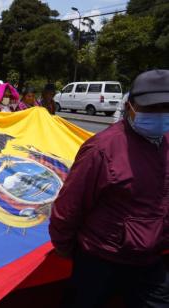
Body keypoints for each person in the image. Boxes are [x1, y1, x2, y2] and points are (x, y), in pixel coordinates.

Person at [49, 69, 169, 307]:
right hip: (100, 258)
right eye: (150, 108)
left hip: (150, 260)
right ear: (130, 107)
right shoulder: (102, 149)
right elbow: (68, 207)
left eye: (165, 109)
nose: (159, 116)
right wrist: (66, 248)